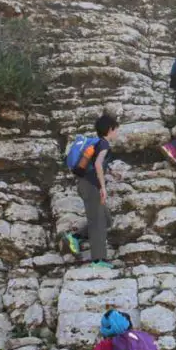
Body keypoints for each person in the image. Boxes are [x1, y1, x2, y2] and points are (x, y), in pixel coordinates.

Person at [64, 112, 119, 268]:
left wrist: (112, 172)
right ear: (110, 129)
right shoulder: (104, 145)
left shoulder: (98, 144)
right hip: (91, 186)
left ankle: (75, 236)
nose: (117, 133)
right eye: (116, 130)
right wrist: (103, 187)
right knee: (98, 222)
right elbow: (97, 165)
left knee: (106, 219)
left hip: (85, 184)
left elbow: (97, 164)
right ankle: (98, 260)